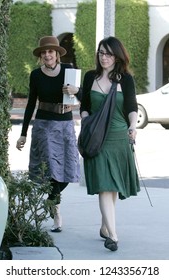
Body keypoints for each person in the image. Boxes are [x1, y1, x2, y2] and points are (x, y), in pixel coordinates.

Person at [80, 36, 140, 251]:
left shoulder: (125, 79)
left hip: (118, 136)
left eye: (108, 53)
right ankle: (113, 236)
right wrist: (86, 121)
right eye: (101, 53)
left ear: (117, 56)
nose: (104, 57)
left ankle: (106, 228)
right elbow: (84, 105)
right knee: (105, 186)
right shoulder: (90, 77)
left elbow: (132, 106)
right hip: (97, 138)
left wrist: (132, 126)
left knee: (112, 186)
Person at [16, 36, 81, 233]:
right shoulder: (36, 75)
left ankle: (51, 200)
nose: (47, 55)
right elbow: (30, 104)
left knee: (70, 169)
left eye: (50, 52)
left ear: (57, 54)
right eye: (44, 52)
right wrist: (23, 133)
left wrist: (75, 95)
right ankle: (57, 213)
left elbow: (83, 96)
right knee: (52, 170)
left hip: (65, 125)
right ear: (41, 56)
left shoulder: (69, 70)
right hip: (44, 126)